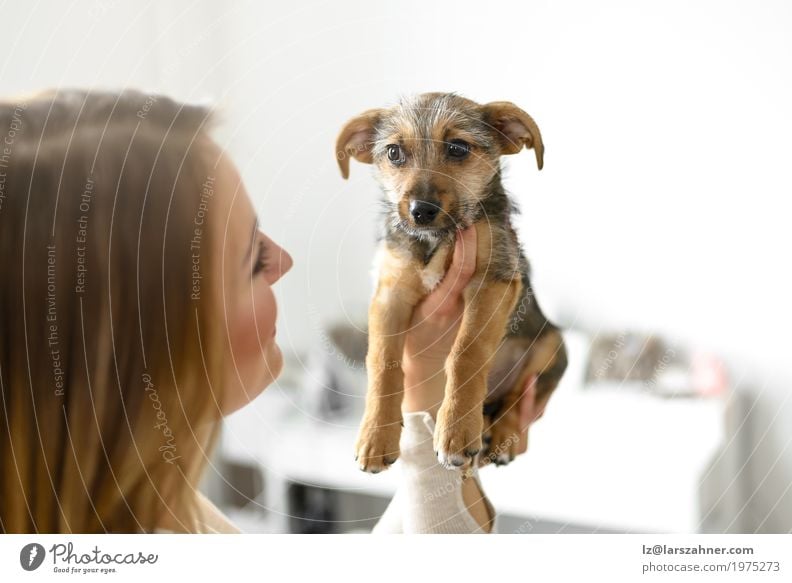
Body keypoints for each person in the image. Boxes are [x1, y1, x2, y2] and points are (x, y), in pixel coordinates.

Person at [0, 90, 539, 534]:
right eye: (249, 255)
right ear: (126, 322)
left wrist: (424, 393)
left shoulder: (170, 516)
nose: (282, 259)